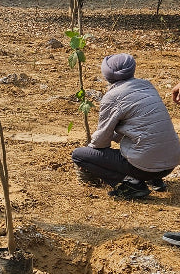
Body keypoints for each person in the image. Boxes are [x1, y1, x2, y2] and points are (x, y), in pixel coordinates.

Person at [72, 53, 180, 199]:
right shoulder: (147, 85)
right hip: (171, 162)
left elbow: (101, 142)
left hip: (146, 167)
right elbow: (139, 127)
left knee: (79, 155)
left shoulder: (112, 96)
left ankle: (132, 184)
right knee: (149, 137)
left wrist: (91, 156)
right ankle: (155, 180)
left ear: (106, 75)